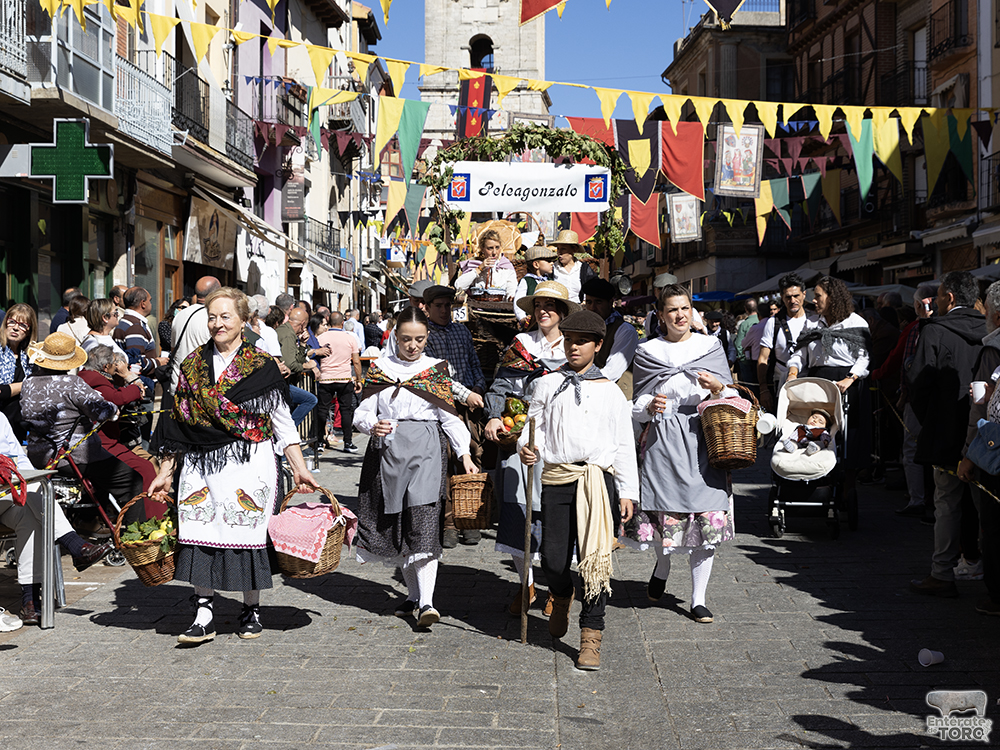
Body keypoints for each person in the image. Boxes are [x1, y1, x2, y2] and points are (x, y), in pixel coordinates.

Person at [149, 288, 320, 643]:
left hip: (249, 461)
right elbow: (176, 424)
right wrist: (165, 472)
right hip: (200, 463)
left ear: (244, 321)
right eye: (212, 317)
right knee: (201, 535)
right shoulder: (193, 363)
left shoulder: (261, 365)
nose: (217, 323)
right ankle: (203, 612)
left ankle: (251, 608)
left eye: (226, 316)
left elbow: (282, 421)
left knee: (247, 535)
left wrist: (300, 467)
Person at [518, 310, 637, 670]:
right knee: (554, 560)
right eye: (568, 340)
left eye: (582, 341)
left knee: (595, 562)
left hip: (597, 483)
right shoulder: (548, 384)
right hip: (556, 477)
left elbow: (623, 444)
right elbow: (531, 426)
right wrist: (526, 446)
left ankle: (591, 637)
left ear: (598, 346)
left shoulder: (612, 393)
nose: (573, 347)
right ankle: (561, 593)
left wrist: (628, 490)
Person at [353, 305, 478, 628]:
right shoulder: (380, 368)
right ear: (395, 337)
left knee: (423, 520)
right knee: (396, 522)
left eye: (419, 340)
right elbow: (361, 414)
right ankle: (412, 596)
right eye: (406, 339)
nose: (413, 346)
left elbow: (449, 416)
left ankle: (426, 603)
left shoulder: (436, 369)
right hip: (388, 450)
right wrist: (372, 425)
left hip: (425, 447)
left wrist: (464, 453)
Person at [628, 284, 736, 625]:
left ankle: (698, 599)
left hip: (706, 438)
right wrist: (651, 404)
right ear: (660, 316)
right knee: (666, 513)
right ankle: (663, 563)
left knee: (708, 515)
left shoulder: (710, 346)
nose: (680, 315)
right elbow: (638, 404)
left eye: (685, 308)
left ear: (693, 312)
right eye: (672, 310)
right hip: (663, 439)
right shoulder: (648, 351)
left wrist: (718, 388)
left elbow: (732, 392)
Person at [483, 282, 577, 615]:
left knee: (557, 518)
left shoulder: (574, 348)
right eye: (538, 305)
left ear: (563, 312)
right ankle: (526, 585)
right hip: (520, 437)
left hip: (562, 442)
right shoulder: (521, 346)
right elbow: (499, 388)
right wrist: (495, 417)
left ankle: (556, 588)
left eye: (551, 305)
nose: (543, 311)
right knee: (517, 513)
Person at [907, 271, 986, 598]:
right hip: (986, 432)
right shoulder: (989, 330)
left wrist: (932, 422)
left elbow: (919, 386)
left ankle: (942, 572)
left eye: (938, 295)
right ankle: (982, 566)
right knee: (983, 505)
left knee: (947, 502)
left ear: (950, 298)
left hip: (946, 431)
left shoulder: (935, 331)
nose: (935, 301)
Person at [21, 333, 146, 528]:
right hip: (72, 455)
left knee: (103, 472)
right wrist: (114, 410)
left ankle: (89, 522)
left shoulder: (28, 383)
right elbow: (104, 410)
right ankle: (134, 539)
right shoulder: (71, 384)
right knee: (133, 480)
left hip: (38, 455)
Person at [0, 411, 113, 626]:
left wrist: (20, 471)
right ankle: (75, 545)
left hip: (7, 494)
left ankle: (30, 603)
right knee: (34, 491)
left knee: (30, 514)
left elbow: (20, 458)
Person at [423, 285, 487, 547]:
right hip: (440, 405)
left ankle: (469, 518)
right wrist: (464, 395)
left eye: (448, 305)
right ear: (427, 308)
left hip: (469, 404)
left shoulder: (461, 330)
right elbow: (434, 377)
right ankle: (449, 522)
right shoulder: (424, 335)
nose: (444, 310)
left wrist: (479, 386)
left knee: (472, 457)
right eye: (438, 305)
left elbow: (473, 361)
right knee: (447, 460)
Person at [875, 284, 937, 518]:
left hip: (919, 398)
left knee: (912, 447)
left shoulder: (917, 328)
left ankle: (918, 499)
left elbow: (905, 362)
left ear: (920, 305)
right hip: (942, 398)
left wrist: (902, 392)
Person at [963, 280, 1000, 614]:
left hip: (995, 451)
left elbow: (982, 411)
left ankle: (997, 594)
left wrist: (969, 454)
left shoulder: (993, 349)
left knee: (992, 522)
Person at [77, 345, 157, 496]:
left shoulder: (85, 378)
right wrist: (131, 379)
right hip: (104, 444)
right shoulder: (98, 383)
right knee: (147, 467)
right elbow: (118, 398)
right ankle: (150, 514)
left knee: (149, 463)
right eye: (114, 364)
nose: (116, 367)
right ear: (106, 367)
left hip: (103, 442)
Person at [756, 274, 820, 412]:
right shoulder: (773, 323)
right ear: (782, 297)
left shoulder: (816, 320)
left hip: (811, 382)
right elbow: (763, 358)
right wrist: (763, 389)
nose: (793, 300)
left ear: (804, 294)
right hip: (783, 383)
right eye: (788, 297)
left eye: (796, 296)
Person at [580, 278, 639, 396]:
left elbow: (613, 371)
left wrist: (581, 383)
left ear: (610, 302)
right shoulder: (583, 326)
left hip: (616, 394)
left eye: (598, 302)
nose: (592, 307)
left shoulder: (625, 330)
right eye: (589, 302)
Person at [315, 312, 362, 454]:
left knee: (322, 410)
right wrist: (358, 379)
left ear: (329, 323)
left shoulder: (320, 338)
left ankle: (319, 442)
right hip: (344, 378)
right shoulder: (350, 338)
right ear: (343, 323)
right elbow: (356, 361)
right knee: (346, 411)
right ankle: (348, 442)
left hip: (325, 378)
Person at [170, 277, 222, 393]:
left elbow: (173, 348)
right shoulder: (213, 318)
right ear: (216, 293)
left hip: (178, 383)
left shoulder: (180, 314)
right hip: (200, 389)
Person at [276, 308, 323, 428]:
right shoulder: (287, 335)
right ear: (303, 324)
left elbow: (296, 359)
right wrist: (306, 366)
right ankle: (288, 430)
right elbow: (291, 364)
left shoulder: (288, 332)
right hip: (280, 384)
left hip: (283, 382)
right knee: (310, 400)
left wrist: (302, 345)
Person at [0, 304, 38, 443]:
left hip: (19, 431)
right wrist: (27, 384)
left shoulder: (30, 358)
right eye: (12, 322)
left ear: (28, 331)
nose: (15, 328)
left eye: (22, 325)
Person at [455, 229, 518, 299]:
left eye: (497, 247)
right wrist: (480, 268)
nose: (494, 252)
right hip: (477, 308)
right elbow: (459, 286)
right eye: (490, 248)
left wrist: (510, 297)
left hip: (500, 307)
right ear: (482, 249)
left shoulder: (505, 266)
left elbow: (512, 288)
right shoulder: (475, 264)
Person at [513, 245, 557, 325]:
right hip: (532, 322)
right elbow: (518, 301)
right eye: (548, 261)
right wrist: (522, 318)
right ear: (536, 264)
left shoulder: (550, 281)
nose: (552, 263)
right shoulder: (527, 281)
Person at [550, 230, 597, 303]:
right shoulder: (552, 269)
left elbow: (593, 288)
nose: (559, 253)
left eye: (563, 249)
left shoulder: (583, 269)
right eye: (558, 249)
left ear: (574, 249)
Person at [732, 298, 758, 385]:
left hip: (747, 360)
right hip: (763, 359)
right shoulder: (763, 321)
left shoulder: (744, 324)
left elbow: (738, 343)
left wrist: (741, 357)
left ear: (746, 309)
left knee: (750, 386)